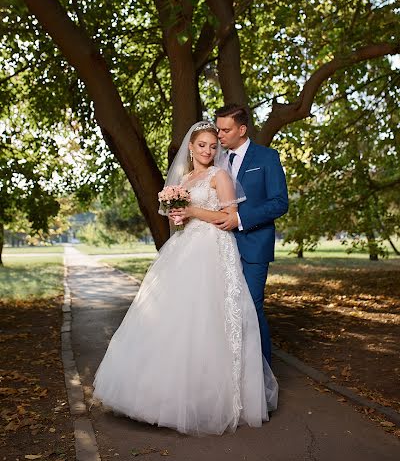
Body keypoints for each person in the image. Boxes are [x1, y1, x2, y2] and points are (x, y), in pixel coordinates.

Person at [93, 121, 278, 435]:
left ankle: (212, 400)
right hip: (185, 248)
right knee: (174, 319)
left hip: (215, 250)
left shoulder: (221, 176)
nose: (208, 150)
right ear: (190, 148)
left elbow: (227, 217)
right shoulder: (186, 179)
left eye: (212, 145)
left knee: (210, 320)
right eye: (202, 145)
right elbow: (180, 223)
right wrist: (178, 215)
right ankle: (161, 396)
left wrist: (190, 210)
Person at [214, 104, 289, 366]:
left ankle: (263, 386)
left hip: (254, 246)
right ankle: (231, 378)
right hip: (218, 246)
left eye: (226, 130)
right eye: (218, 129)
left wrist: (241, 219)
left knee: (251, 311)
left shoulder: (267, 158)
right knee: (223, 313)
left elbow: (280, 202)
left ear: (242, 129)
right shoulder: (217, 159)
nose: (220, 135)